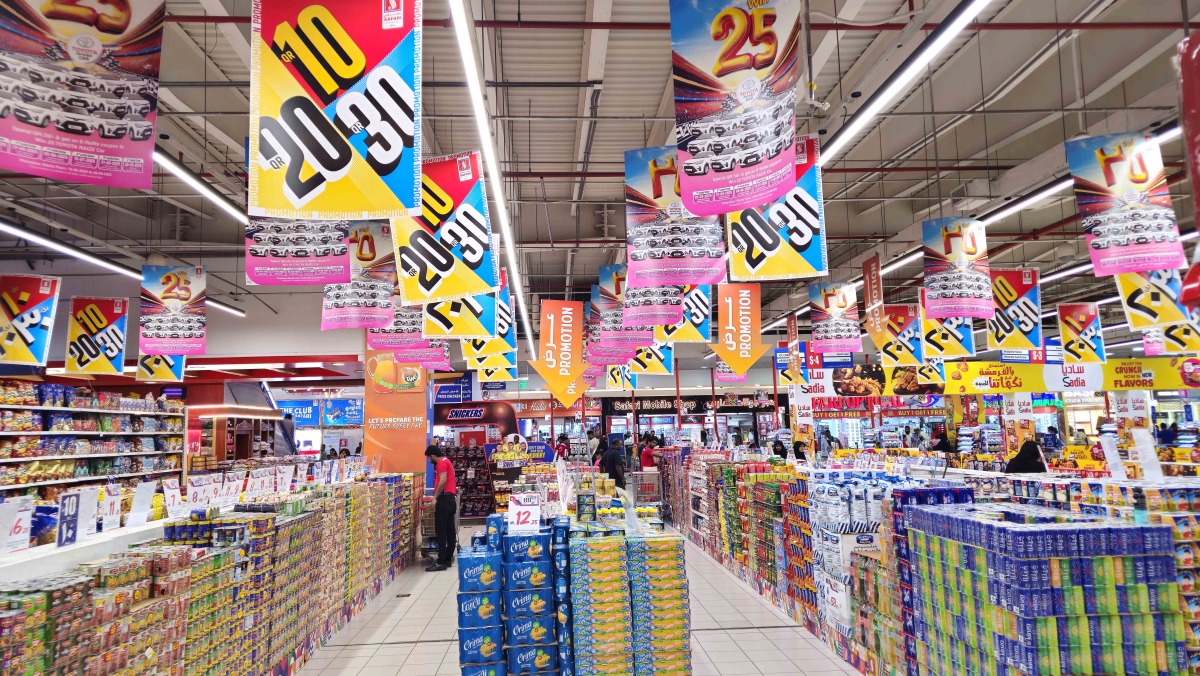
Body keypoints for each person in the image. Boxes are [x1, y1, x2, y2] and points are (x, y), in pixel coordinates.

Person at [425, 444, 458, 571]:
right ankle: (448, 558)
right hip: (450, 500)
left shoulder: (441, 464)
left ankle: (441, 560)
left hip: (444, 500)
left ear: (433, 456)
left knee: (441, 530)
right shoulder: (447, 461)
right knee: (450, 530)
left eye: (429, 458)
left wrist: (435, 498)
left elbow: (443, 481)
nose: (429, 461)